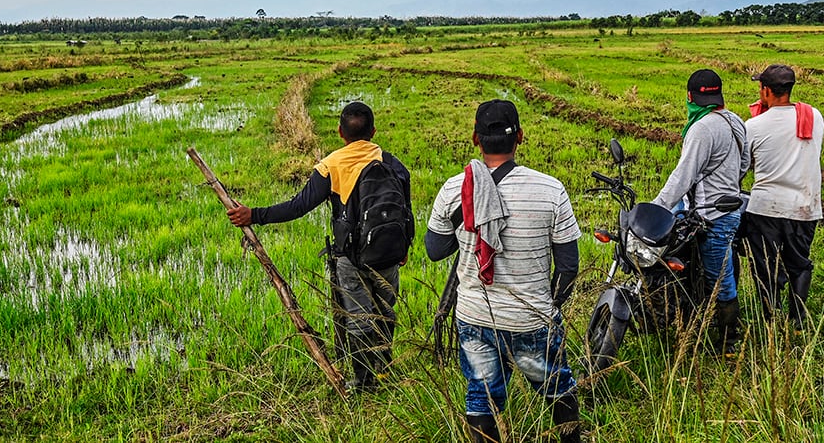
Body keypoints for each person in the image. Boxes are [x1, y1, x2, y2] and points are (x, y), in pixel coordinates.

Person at [226, 101, 413, 392]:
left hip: (351, 258)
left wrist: (255, 215)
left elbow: (298, 206)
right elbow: (406, 208)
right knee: (385, 312)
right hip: (390, 255)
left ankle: (364, 384)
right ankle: (384, 372)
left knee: (359, 319)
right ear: (374, 131)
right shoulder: (391, 162)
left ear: (340, 132)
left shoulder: (332, 165)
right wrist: (405, 248)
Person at [425, 99, 581, 443]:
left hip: (475, 318)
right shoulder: (550, 189)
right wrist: (548, 308)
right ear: (520, 137)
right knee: (557, 392)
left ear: (475, 139)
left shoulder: (455, 189)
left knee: (481, 397)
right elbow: (568, 267)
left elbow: (435, 251)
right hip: (531, 318)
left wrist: (468, 223)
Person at [652, 68, 750, 356]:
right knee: (708, 266)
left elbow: (684, 176)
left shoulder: (701, 128)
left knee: (719, 275)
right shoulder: (734, 121)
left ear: (689, 97)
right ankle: (697, 317)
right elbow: (744, 163)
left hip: (712, 215)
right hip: (730, 207)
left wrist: (656, 208)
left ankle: (729, 342)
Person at [744, 64, 824, 332]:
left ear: (766, 91)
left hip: (765, 207)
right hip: (805, 206)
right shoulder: (813, 116)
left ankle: (770, 320)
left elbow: (746, 165)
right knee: (800, 264)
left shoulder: (753, 125)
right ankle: (798, 320)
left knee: (766, 267)